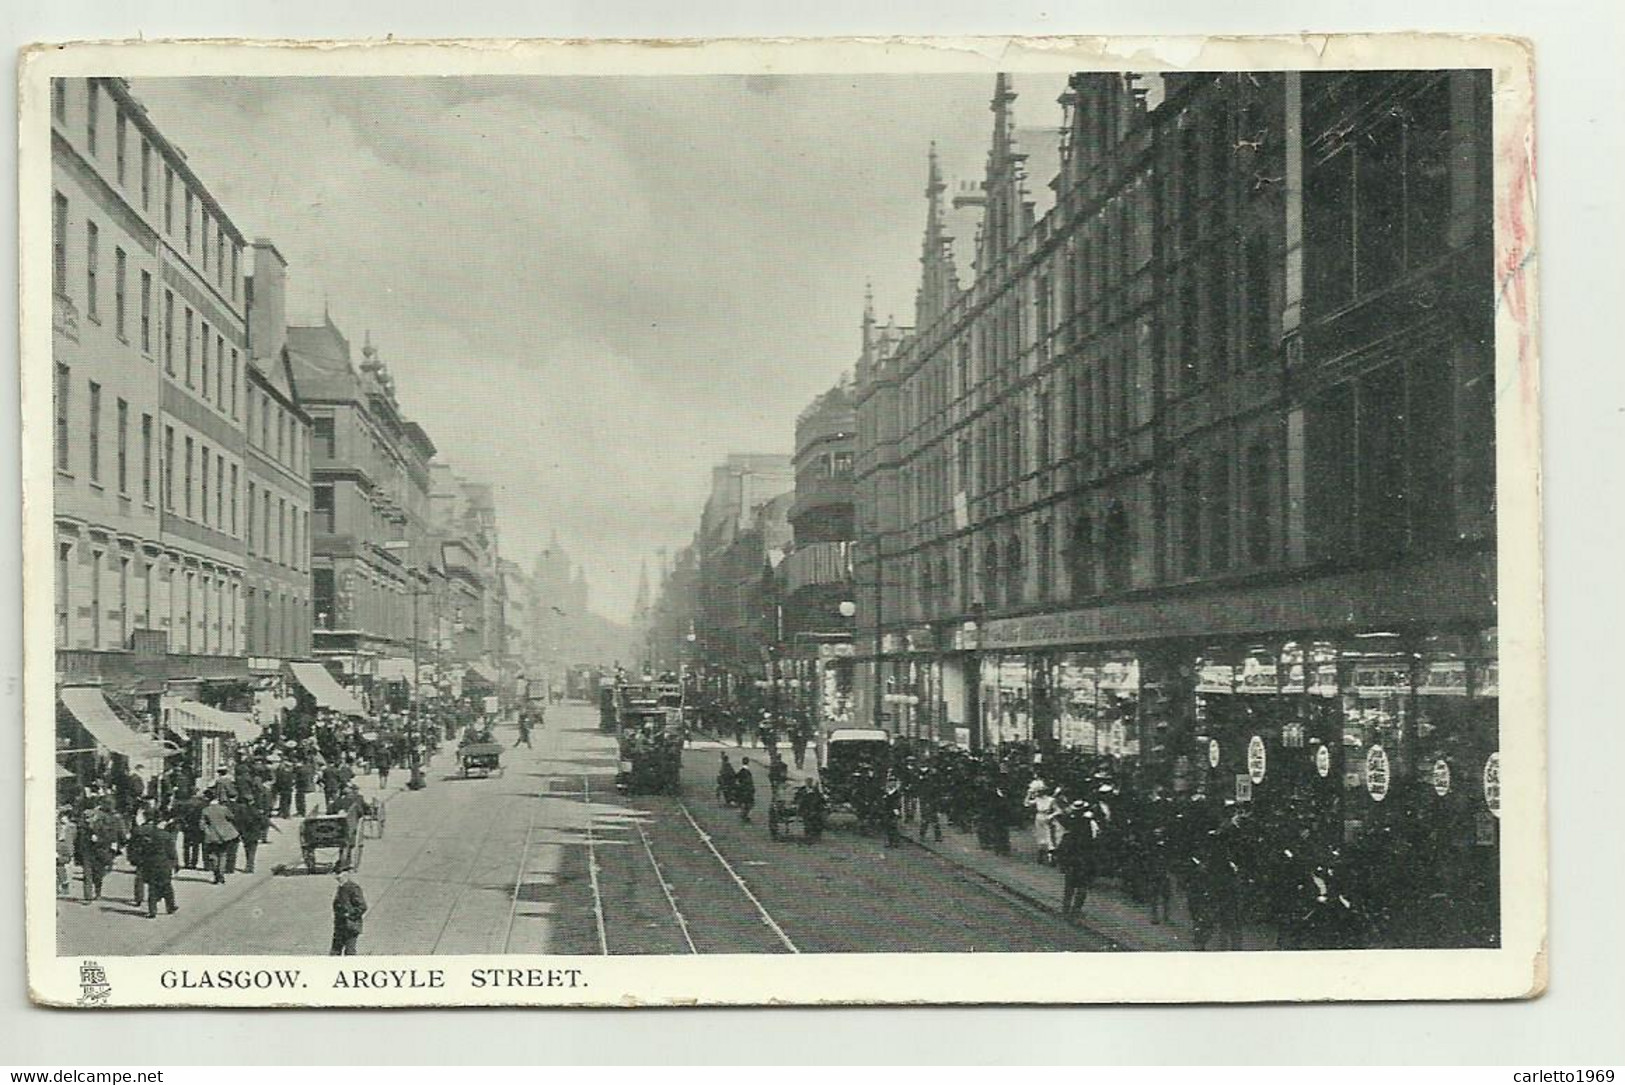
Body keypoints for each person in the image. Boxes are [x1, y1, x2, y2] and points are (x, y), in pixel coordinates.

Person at [128, 807, 179, 919]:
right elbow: (172, 851)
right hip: (164, 863)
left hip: (149, 863)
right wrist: (175, 863)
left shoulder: (144, 832)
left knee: (152, 887)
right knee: (167, 885)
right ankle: (170, 906)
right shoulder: (166, 835)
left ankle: (152, 910)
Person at [199, 790, 240, 885]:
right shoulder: (223, 809)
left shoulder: (205, 810)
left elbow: (201, 824)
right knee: (223, 854)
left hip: (211, 836)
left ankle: (216, 873)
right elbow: (232, 817)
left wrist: (206, 830)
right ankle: (221, 873)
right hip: (224, 835)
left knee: (212, 855)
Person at [330, 868, 368, 956]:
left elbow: (362, 906)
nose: (337, 877)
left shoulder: (353, 888)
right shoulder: (341, 887)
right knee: (335, 952)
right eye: (336, 874)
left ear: (346, 874)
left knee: (349, 953)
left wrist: (349, 914)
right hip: (340, 926)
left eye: (339, 874)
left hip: (350, 926)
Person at [56, 808, 77, 897]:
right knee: (58, 866)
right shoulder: (57, 827)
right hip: (57, 849)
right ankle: (62, 884)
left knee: (59, 866)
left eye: (64, 818)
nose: (62, 819)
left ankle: (63, 883)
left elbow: (74, 839)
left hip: (66, 850)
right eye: (61, 817)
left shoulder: (72, 828)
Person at [734, 758, 757, 823]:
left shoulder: (742, 771)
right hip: (748, 789)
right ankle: (745, 814)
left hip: (743, 789)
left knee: (743, 802)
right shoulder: (747, 772)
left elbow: (736, 777)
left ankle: (744, 814)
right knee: (749, 803)